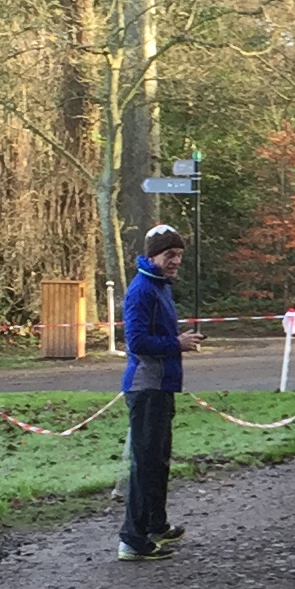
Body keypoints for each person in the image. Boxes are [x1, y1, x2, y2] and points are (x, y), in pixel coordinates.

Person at [117, 224, 198, 563]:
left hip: (162, 385)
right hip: (146, 386)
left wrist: (176, 340)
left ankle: (155, 524)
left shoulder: (159, 286)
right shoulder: (142, 290)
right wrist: (176, 343)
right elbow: (136, 342)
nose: (175, 261)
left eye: (179, 254)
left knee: (159, 460)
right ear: (153, 256)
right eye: (169, 254)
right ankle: (132, 539)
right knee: (145, 463)